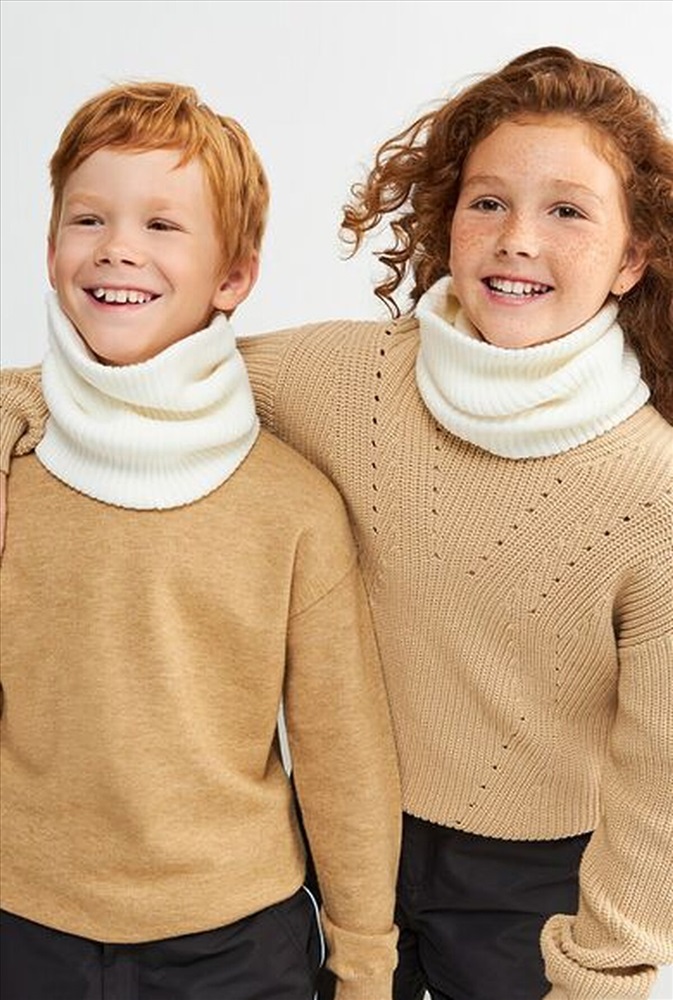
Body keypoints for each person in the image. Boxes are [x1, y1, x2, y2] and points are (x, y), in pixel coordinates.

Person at [2, 45, 672, 1000]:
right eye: (487, 202)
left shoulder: (652, 492)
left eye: (567, 211)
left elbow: (660, 782)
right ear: (445, 222)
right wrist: (12, 401)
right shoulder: (344, 380)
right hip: (344, 844)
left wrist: (604, 972)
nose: (517, 238)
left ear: (632, 258)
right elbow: (158, 366)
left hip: (533, 883)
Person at [0, 81, 402, 1000]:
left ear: (233, 278)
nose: (117, 247)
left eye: (162, 225)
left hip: (235, 945)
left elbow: (343, 755)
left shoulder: (293, 506)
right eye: (88, 219)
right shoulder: (14, 472)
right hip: (21, 925)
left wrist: (364, 965)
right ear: (50, 251)